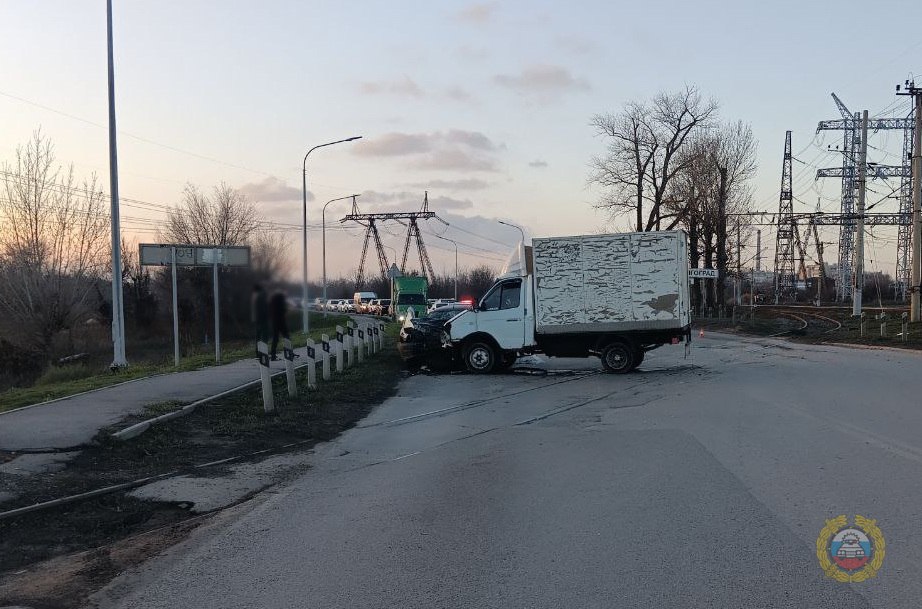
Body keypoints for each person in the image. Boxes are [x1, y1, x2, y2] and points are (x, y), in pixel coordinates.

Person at [269, 290, 290, 361]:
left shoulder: (273, 303)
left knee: (275, 338)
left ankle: (273, 354)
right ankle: (288, 352)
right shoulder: (281, 301)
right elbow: (283, 311)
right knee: (286, 337)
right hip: (281, 322)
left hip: (274, 322)